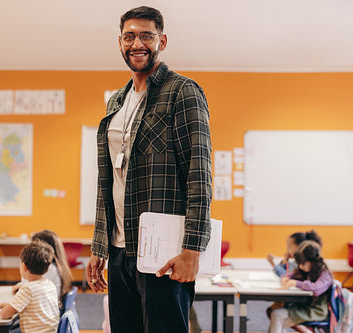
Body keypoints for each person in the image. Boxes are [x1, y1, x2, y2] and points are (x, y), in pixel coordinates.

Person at [86, 5, 212, 333]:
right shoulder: (116, 101)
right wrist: (100, 245)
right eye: (129, 36)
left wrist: (192, 249)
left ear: (162, 40)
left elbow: (199, 175)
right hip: (118, 250)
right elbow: (108, 179)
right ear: (119, 42)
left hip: (163, 251)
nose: (137, 43)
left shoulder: (182, 92)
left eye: (146, 35)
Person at [0, 240, 60, 333]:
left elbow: (4, 315)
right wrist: (0, 305)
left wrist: (3, 309)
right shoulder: (49, 285)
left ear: (24, 267)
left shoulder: (28, 289)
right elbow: (23, 306)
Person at [268, 240, 333, 333]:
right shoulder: (305, 269)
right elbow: (293, 275)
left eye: (303, 264)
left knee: (277, 316)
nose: (301, 266)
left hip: (316, 310)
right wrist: (286, 278)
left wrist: (295, 283)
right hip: (304, 306)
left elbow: (316, 289)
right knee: (275, 313)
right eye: (299, 264)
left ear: (313, 261)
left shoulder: (324, 273)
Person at [13, 230, 72, 306]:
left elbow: (32, 291)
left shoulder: (49, 268)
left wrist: (20, 288)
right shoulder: (52, 266)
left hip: (46, 308)